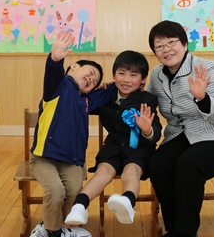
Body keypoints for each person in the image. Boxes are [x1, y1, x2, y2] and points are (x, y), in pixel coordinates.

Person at [146, 20, 214, 237]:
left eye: (172, 43)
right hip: (182, 135)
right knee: (158, 164)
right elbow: (143, 100)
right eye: (159, 46)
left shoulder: (206, 67)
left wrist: (202, 98)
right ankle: (174, 229)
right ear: (154, 51)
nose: (166, 49)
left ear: (184, 44)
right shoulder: (157, 75)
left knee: (188, 164)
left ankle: (186, 236)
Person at [24, 30, 116, 237]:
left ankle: (44, 228)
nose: (91, 79)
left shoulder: (87, 100)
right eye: (90, 73)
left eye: (95, 81)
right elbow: (53, 71)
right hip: (44, 158)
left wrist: (114, 83)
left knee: (75, 192)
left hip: (72, 161)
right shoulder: (58, 87)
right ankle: (57, 234)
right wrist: (55, 58)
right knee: (56, 191)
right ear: (73, 66)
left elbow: (117, 89)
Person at [64, 50, 162, 227]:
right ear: (114, 75)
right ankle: (79, 207)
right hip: (112, 148)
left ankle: (127, 203)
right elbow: (80, 101)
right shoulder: (105, 96)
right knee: (102, 172)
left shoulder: (148, 99)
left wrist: (147, 130)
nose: (126, 80)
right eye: (121, 73)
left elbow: (156, 132)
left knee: (131, 172)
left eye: (133, 75)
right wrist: (95, 87)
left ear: (143, 80)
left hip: (138, 150)